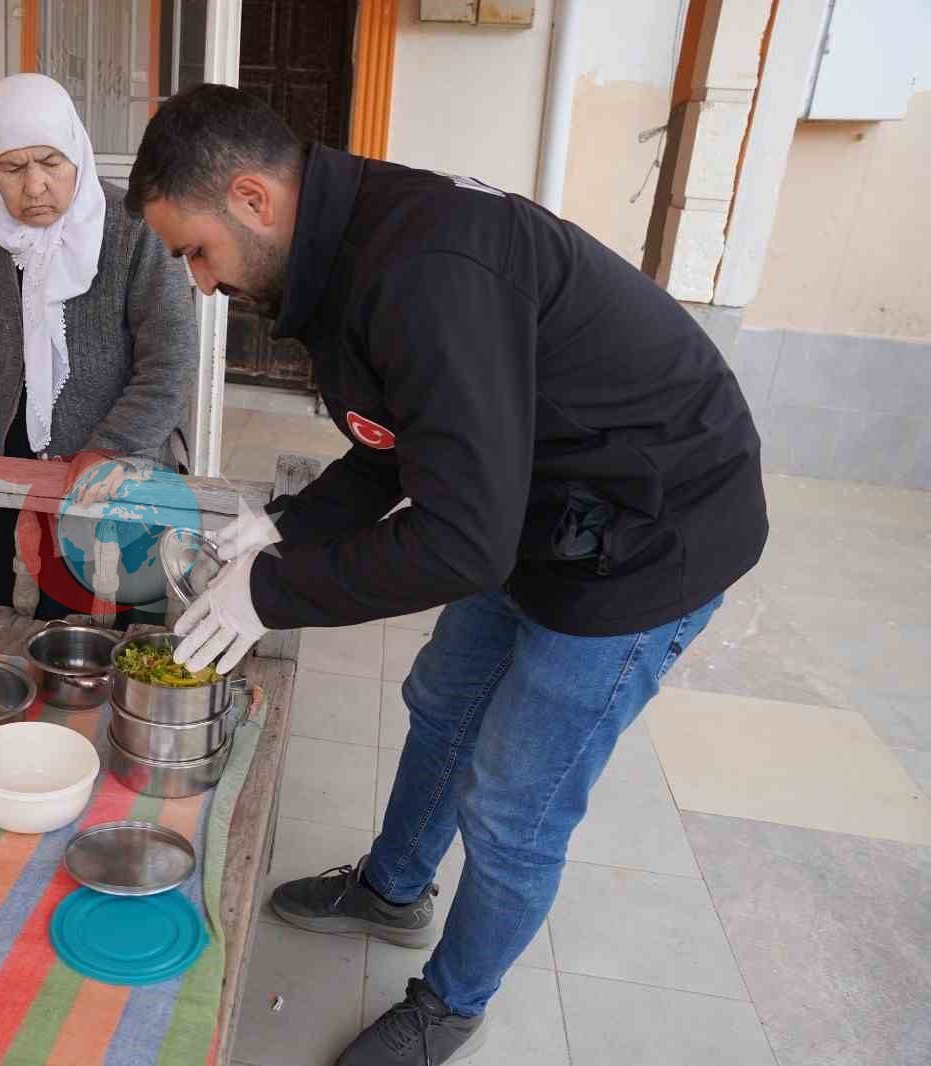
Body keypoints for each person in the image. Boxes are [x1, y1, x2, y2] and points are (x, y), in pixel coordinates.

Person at [127, 85, 768, 1065]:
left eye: (194, 252)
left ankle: (451, 1007)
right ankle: (391, 888)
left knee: (515, 804)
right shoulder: (345, 256)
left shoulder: (424, 267)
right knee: (444, 697)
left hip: (652, 530)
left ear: (251, 197)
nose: (200, 285)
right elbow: (392, 447)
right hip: (531, 504)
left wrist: (272, 592)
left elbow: (460, 543)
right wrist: (277, 531)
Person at [0, 74, 197, 619]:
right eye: (12, 168)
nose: (34, 185)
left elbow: (172, 356)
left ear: (77, 152)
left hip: (112, 471)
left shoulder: (131, 226)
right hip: (8, 464)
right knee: (10, 619)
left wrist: (112, 443)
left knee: (112, 624)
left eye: (50, 162)